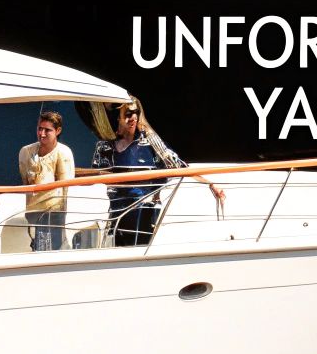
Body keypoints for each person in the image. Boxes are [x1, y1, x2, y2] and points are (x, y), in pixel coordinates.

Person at [91, 98, 223, 247]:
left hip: (144, 216)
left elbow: (179, 165)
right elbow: (95, 180)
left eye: (136, 113)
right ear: (117, 118)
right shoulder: (104, 148)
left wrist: (210, 183)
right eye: (128, 114)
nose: (133, 117)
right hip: (115, 217)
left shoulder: (149, 142)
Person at [17, 110, 75, 251]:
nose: (41, 134)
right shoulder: (26, 151)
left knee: (48, 251)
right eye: (39, 129)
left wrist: (67, 221)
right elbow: (25, 182)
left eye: (47, 130)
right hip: (31, 213)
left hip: (54, 215)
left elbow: (66, 188)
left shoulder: (63, 153)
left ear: (58, 131)